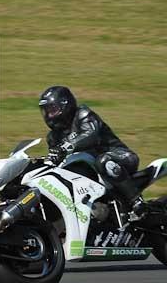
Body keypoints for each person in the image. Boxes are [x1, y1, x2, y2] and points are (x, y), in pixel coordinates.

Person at [38, 86, 146, 214]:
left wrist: (66, 146)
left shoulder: (83, 115)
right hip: (92, 170)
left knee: (104, 161)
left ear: (65, 105)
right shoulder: (53, 136)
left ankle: (137, 201)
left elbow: (90, 134)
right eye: (46, 111)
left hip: (120, 157)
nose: (49, 115)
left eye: (53, 109)